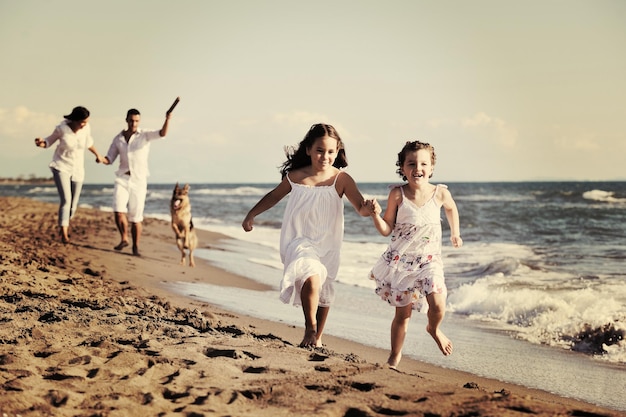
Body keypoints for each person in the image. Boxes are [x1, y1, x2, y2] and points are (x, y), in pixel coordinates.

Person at [242, 123, 372, 348]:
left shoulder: (341, 179)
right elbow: (273, 196)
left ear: (338, 151)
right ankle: (310, 327)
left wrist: (369, 209)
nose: (325, 156)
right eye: (320, 150)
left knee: (324, 287)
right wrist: (251, 214)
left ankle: (315, 338)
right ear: (309, 150)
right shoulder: (295, 177)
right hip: (299, 239)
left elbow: (360, 208)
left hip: (328, 243)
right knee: (311, 275)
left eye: (331, 151)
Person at [366, 140, 462, 368]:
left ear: (431, 168)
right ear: (402, 168)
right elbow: (386, 229)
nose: (417, 168)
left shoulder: (440, 193)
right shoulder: (397, 195)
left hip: (430, 261)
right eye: (411, 163)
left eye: (423, 163)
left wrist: (455, 233)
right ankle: (394, 355)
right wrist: (375, 216)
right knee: (403, 315)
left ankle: (433, 328)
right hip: (402, 263)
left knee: (438, 303)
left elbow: (451, 208)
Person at [102, 108, 171, 256]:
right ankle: (124, 238)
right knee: (118, 210)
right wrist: (101, 159)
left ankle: (135, 247)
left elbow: (162, 133)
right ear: (126, 120)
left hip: (139, 180)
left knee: (136, 216)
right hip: (122, 178)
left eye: (137, 121)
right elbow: (109, 158)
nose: (134, 123)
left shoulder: (144, 135)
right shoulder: (118, 138)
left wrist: (168, 119)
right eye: (131, 120)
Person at [34, 106, 103, 244]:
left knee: (73, 205)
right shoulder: (61, 129)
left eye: (86, 122)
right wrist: (40, 142)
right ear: (74, 120)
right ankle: (64, 234)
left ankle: (65, 220)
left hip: (78, 169)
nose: (84, 125)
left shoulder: (86, 129)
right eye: (82, 122)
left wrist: (98, 155)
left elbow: (89, 144)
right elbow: (48, 141)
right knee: (66, 200)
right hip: (61, 166)